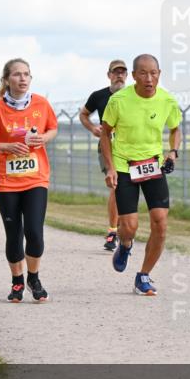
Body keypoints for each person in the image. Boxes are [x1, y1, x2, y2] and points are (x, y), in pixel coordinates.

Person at [0, 58, 58, 303]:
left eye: (26, 74)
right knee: (14, 233)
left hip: (36, 178)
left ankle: (34, 277)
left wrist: (44, 138)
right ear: (6, 80)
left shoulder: (41, 104)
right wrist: (6, 146)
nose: (22, 79)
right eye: (17, 75)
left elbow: (53, 128)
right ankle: (17, 281)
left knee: (34, 231)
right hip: (6, 181)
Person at [99, 54, 182, 296]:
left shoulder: (167, 100)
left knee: (160, 223)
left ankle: (143, 275)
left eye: (153, 73)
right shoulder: (119, 100)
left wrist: (173, 152)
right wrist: (111, 167)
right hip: (125, 165)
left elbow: (176, 128)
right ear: (134, 76)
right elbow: (106, 133)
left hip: (153, 164)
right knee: (130, 227)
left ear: (159, 73)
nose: (149, 78)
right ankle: (125, 245)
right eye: (143, 73)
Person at [80, 58, 128, 250]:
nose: (119, 75)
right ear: (109, 75)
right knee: (117, 186)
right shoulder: (98, 96)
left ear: (128, 75)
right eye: (115, 72)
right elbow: (83, 114)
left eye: (123, 72)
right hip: (109, 145)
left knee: (130, 188)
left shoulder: (136, 95)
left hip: (132, 147)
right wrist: (92, 128)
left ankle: (127, 228)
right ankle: (112, 232)